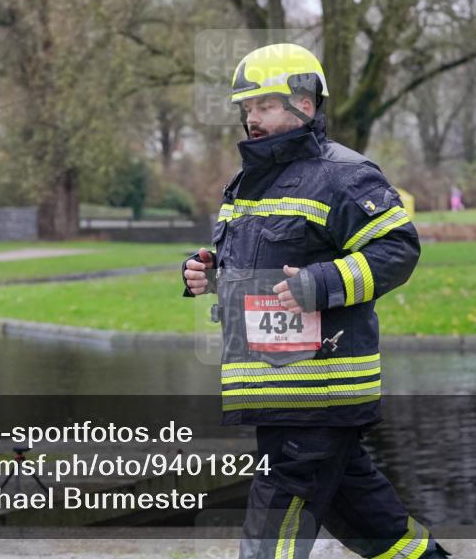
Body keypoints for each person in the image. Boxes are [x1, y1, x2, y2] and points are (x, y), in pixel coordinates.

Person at [182, 43, 450, 559]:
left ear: (304, 104)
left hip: (316, 393)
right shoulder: (245, 186)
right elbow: (263, 266)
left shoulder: (344, 175)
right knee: (380, 530)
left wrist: (323, 283)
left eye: (265, 105)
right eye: (247, 108)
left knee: (269, 542)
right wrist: (210, 273)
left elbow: (398, 248)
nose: (252, 118)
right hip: (273, 391)